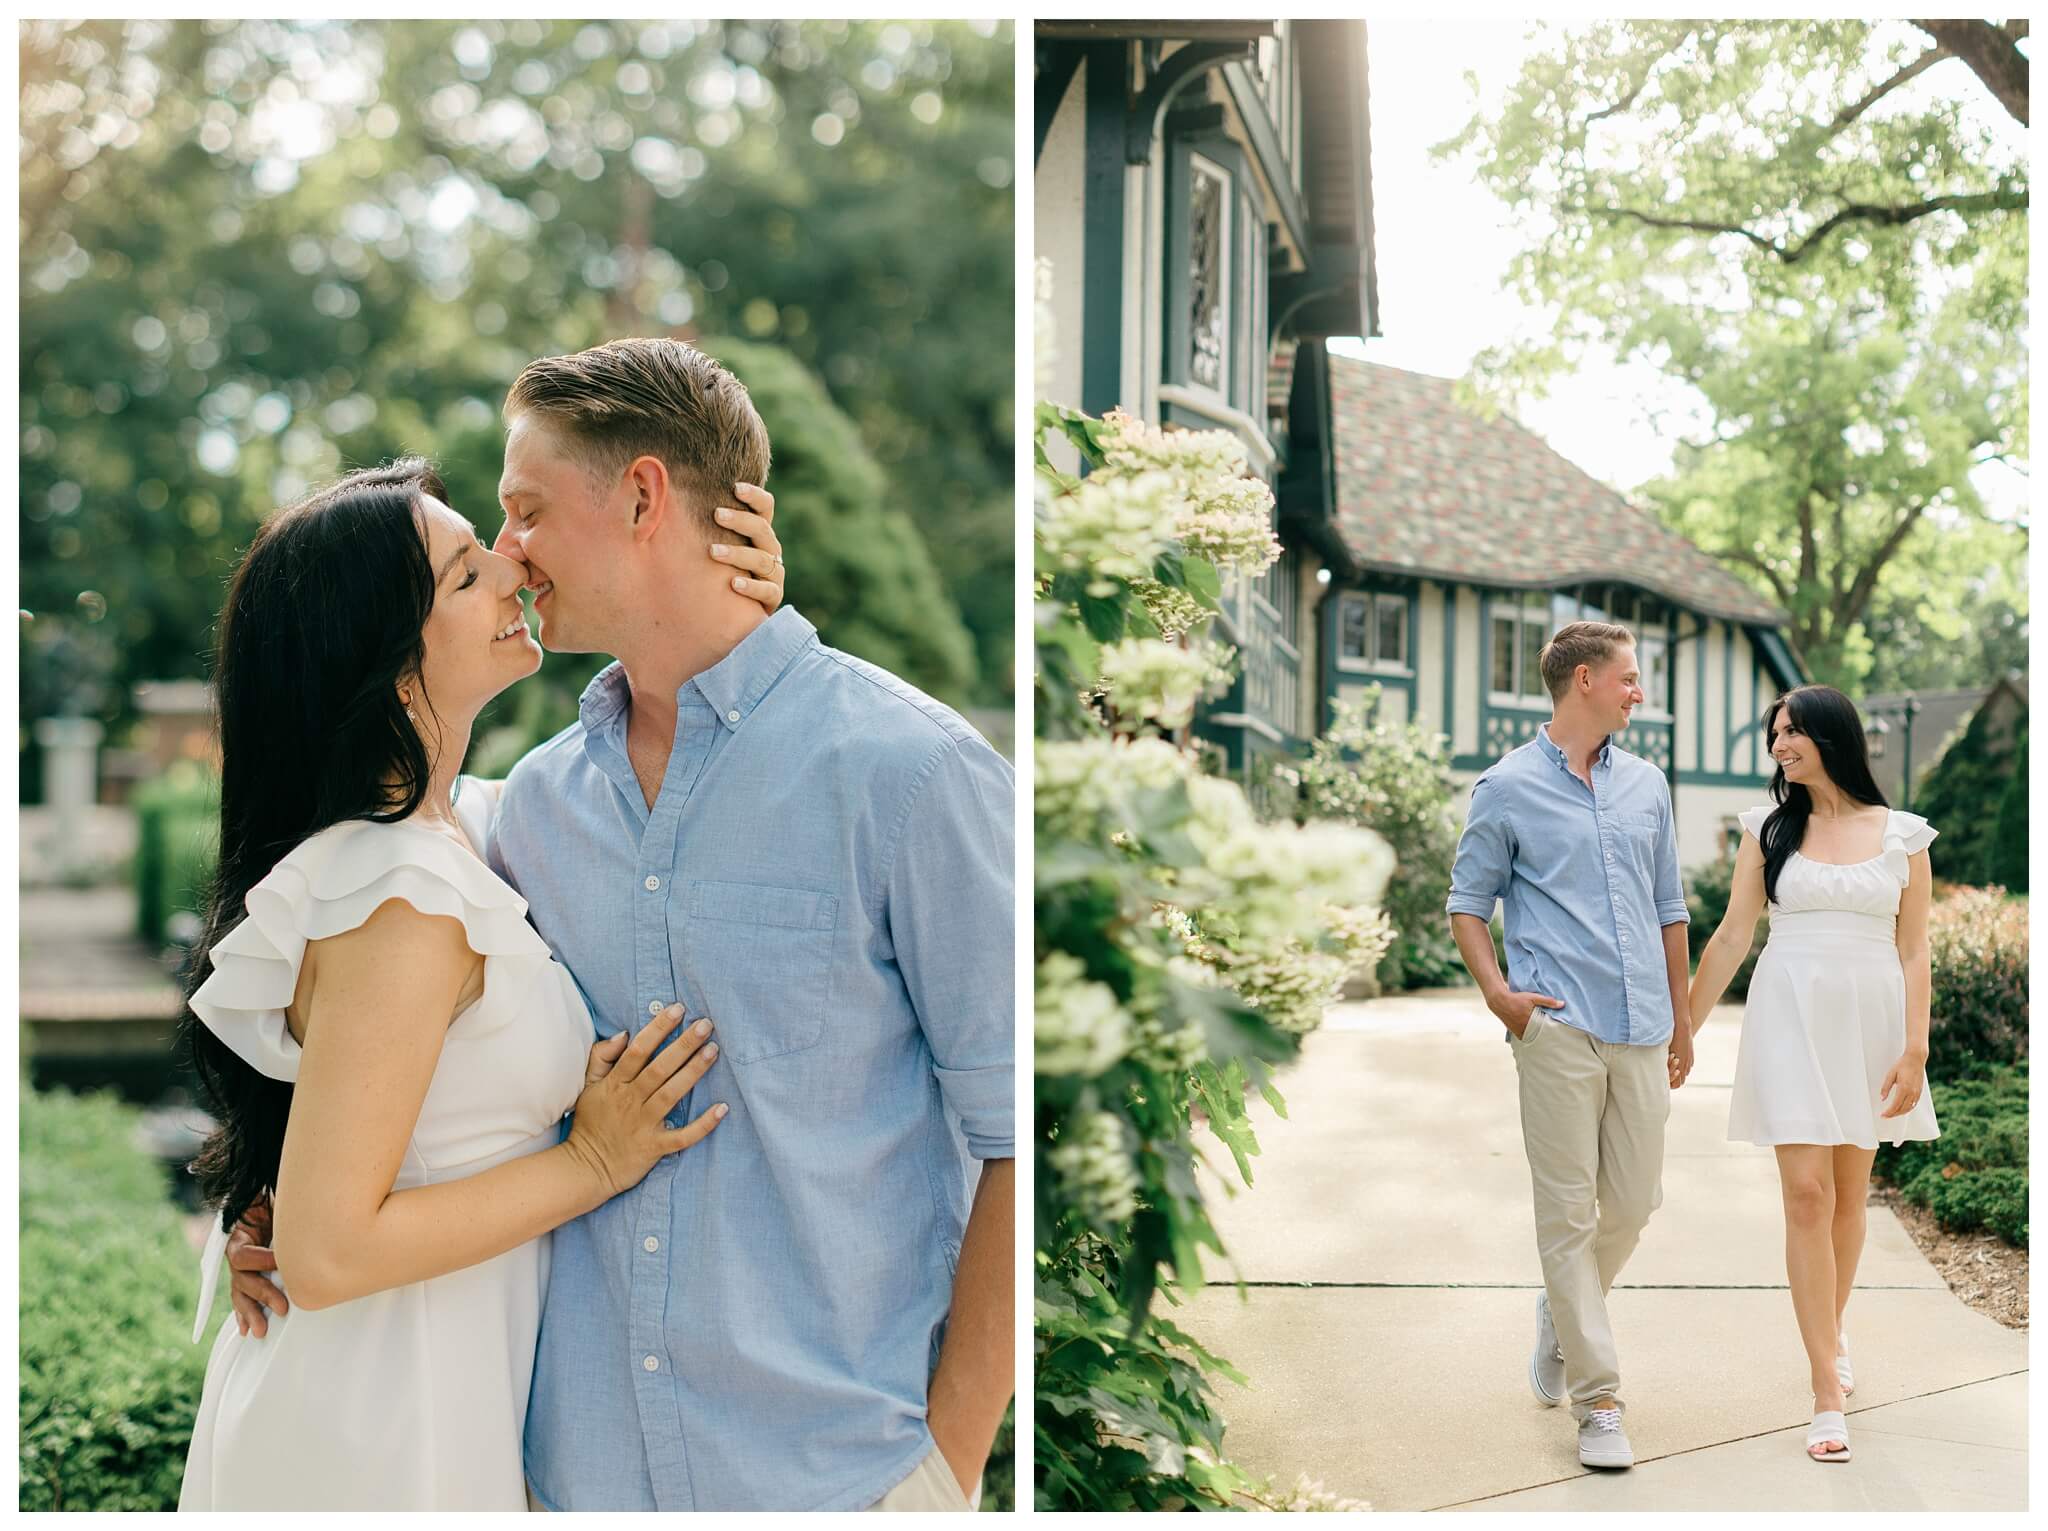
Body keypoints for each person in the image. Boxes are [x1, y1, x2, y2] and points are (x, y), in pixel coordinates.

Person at [229, 339, 1016, 1512]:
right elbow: (375, 1006)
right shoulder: (524, 814)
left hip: (828, 1479)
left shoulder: (908, 776)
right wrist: (271, 1199)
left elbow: (1015, 1131)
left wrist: (942, 1469)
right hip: (560, 1477)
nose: (508, 553)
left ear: (644, 495)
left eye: (527, 511)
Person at [178, 458, 786, 1509]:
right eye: (465, 573)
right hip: (380, 1425)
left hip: (428, 1384)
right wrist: (593, 1158)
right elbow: (324, 1252)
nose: (511, 567)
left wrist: (724, 599)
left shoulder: (459, 833)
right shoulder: (400, 895)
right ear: (388, 659)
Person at [1445, 620, 1691, 1472]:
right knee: (1567, 1213)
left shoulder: (1649, 785)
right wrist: (1501, 997)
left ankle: (1562, 1307)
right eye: (1628, 678)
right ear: (1583, 679)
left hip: (1643, 1027)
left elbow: (1670, 908)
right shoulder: (1506, 787)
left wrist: (1685, 1020)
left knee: (1633, 1202)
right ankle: (1599, 1401)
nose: (1638, 691)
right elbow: (1467, 902)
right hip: (1556, 1029)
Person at [1685, 684, 1939, 1465]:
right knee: (1807, 1193)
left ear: (1832, 736)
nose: (1779, 745)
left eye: (1791, 731)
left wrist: (1915, 1048)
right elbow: (1731, 936)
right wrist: (1682, 1030)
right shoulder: (1767, 830)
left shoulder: (1902, 834)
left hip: (1870, 1024)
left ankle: (1832, 1332)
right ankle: (1826, 1392)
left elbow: (1914, 947)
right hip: (1789, 1012)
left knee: (1849, 1198)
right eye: (1774, 734)